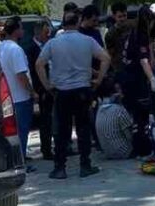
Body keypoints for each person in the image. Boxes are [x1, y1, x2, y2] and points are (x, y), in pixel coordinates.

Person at [36, 11, 112, 180]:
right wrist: (98, 79)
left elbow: (39, 64)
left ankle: (60, 167)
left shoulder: (53, 43)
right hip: (82, 90)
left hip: (61, 91)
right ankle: (85, 165)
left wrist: (47, 85)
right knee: (83, 128)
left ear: (63, 24)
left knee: (62, 131)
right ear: (78, 23)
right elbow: (105, 58)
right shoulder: (87, 41)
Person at [0, 17, 37, 170]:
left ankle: (16, 159)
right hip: (20, 97)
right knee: (22, 132)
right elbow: (21, 75)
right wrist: (32, 92)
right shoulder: (15, 49)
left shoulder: (0, 48)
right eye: (21, 28)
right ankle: (21, 162)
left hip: (6, 97)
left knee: (12, 133)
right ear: (16, 30)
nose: (23, 31)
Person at [118, 5, 155, 157]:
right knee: (142, 116)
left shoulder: (132, 33)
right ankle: (144, 148)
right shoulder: (140, 35)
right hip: (136, 79)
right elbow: (143, 60)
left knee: (135, 116)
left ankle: (137, 146)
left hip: (127, 78)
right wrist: (152, 79)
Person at [26, 20, 54, 160]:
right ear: (38, 33)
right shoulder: (31, 49)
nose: (48, 35)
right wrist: (38, 90)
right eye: (45, 32)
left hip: (50, 87)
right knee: (45, 120)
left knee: (50, 119)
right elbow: (33, 71)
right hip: (41, 88)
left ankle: (49, 146)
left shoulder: (46, 46)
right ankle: (46, 149)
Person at [95, 80, 135, 160]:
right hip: (124, 152)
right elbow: (130, 136)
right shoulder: (119, 110)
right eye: (119, 90)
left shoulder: (99, 110)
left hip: (108, 152)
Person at [104, 3, 132, 73]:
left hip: (133, 65)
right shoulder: (110, 34)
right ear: (114, 16)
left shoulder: (132, 27)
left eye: (124, 16)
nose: (122, 19)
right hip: (119, 67)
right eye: (119, 17)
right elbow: (110, 53)